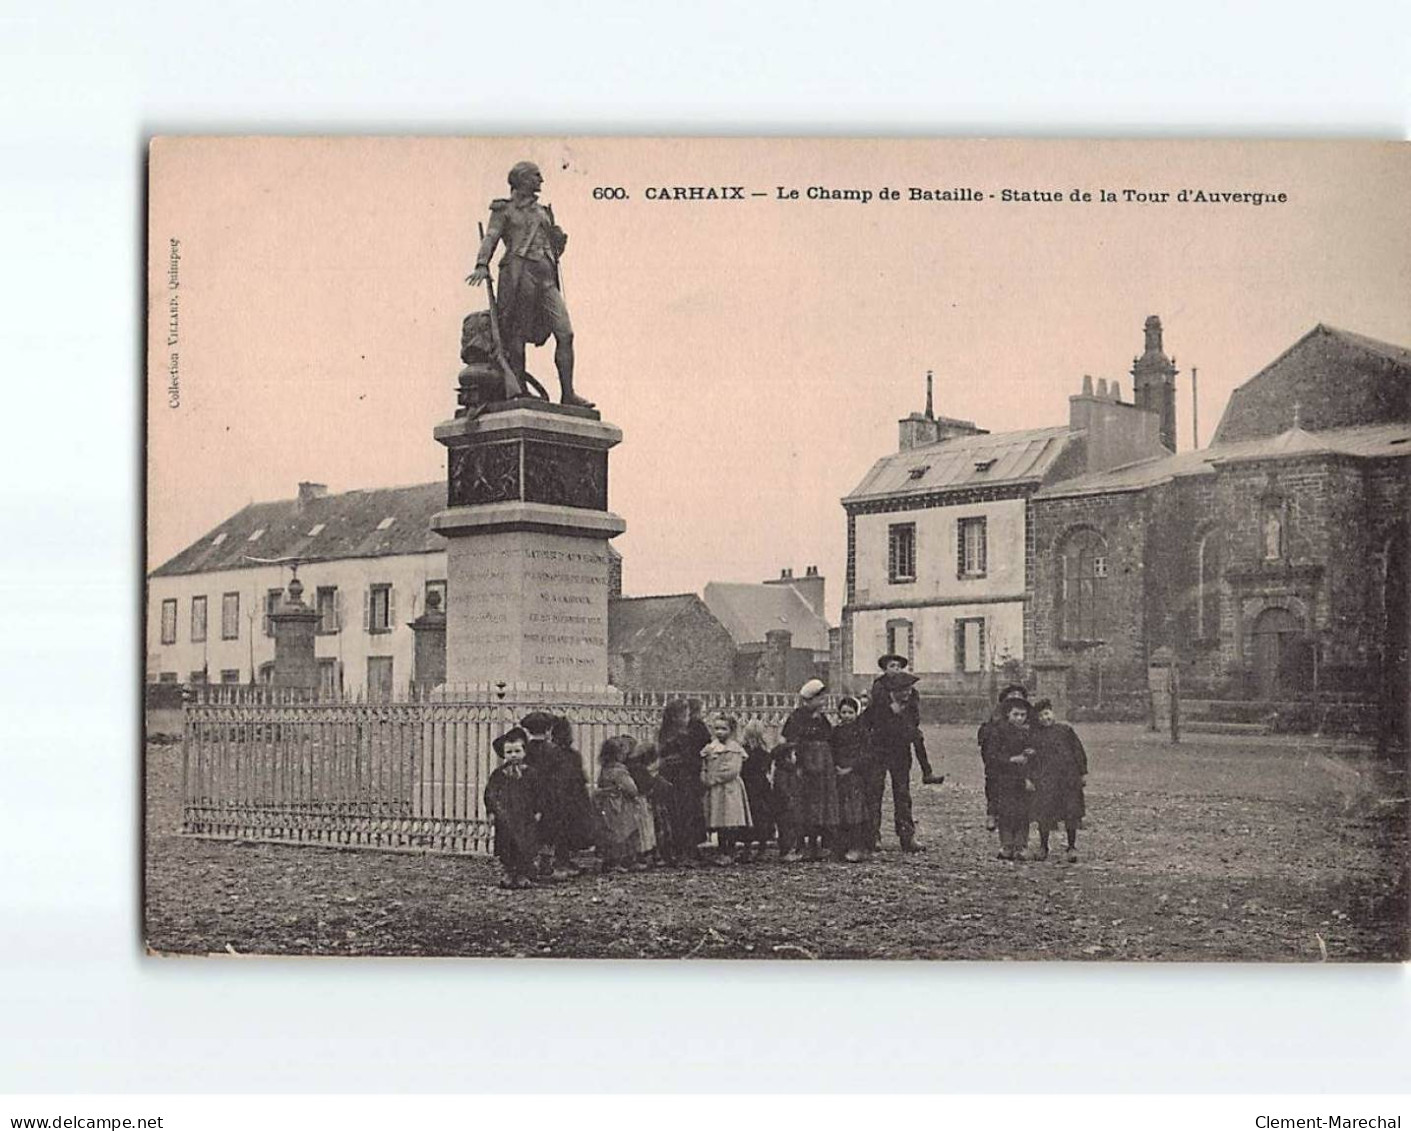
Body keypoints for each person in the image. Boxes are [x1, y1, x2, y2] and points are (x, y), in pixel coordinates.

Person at [466, 161, 592, 408]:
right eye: (536, 176)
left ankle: (568, 393)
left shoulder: (542, 211)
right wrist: (482, 264)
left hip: (546, 278)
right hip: (519, 275)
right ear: (521, 180)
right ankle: (519, 390)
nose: (541, 181)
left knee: (565, 333)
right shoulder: (504, 210)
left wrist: (558, 240)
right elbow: (491, 236)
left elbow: (554, 247)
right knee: (517, 335)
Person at [864, 671, 925, 852]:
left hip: (901, 754)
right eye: (903, 690)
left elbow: (913, 726)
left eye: (909, 689)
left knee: (903, 794)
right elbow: (864, 726)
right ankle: (872, 836)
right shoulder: (878, 707)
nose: (907, 693)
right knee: (874, 793)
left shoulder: (910, 706)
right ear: (892, 690)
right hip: (879, 753)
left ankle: (907, 836)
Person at [520, 710, 585, 880]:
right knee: (551, 830)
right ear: (548, 729)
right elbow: (562, 777)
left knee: (532, 830)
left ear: (528, 730)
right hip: (551, 797)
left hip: (530, 796)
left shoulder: (524, 750)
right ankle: (549, 863)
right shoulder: (555, 751)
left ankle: (532, 863)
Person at [1026, 698, 1088, 863]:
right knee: (1044, 814)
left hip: (1068, 779)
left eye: (1046, 714)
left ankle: (1072, 846)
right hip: (1046, 781)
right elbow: (1031, 761)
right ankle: (1043, 846)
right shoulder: (1035, 736)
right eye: (1040, 716)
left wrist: (1082, 773)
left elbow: (1078, 752)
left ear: (1052, 713)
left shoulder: (1065, 730)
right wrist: (1031, 778)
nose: (1045, 718)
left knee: (1071, 813)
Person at [782, 679, 837, 861]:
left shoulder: (822, 719)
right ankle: (800, 844)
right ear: (808, 700)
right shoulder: (797, 718)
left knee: (819, 804)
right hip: (805, 765)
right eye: (819, 699)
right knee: (803, 804)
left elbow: (829, 738)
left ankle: (816, 843)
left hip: (822, 766)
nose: (822, 703)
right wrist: (796, 764)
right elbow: (791, 742)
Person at [869, 654, 943, 784]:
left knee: (916, 738)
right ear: (885, 670)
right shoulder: (880, 685)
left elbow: (914, 710)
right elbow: (879, 702)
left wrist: (911, 725)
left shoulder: (910, 688)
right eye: (892, 666)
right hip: (882, 739)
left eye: (898, 666)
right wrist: (891, 704)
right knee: (876, 783)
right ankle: (927, 772)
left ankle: (927, 771)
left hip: (901, 739)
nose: (896, 669)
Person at [483, 727, 541, 889]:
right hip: (506, 817)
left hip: (525, 817)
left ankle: (523, 874)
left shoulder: (531, 773)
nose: (513, 755)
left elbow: (539, 793)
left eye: (517, 751)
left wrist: (538, 810)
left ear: (524, 752)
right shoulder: (499, 774)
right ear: (504, 754)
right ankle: (508, 872)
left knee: (525, 845)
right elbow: (490, 793)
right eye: (509, 752)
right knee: (506, 845)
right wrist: (492, 811)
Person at [984, 696, 1035, 861]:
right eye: (1016, 714)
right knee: (1006, 813)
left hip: (1024, 779)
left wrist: (1031, 759)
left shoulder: (1029, 733)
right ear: (1008, 714)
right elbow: (992, 756)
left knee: (1023, 813)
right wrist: (1011, 759)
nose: (1019, 718)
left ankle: (1021, 846)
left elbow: (1036, 758)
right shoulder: (998, 732)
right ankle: (1007, 845)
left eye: (1023, 715)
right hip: (1004, 778)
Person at [656, 698, 707, 865]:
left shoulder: (670, 735)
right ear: (675, 718)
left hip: (683, 780)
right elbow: (683, 758)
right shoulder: (678, 737)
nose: (688, 719)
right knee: (681, 817)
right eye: (684, 716)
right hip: (680, 781)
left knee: (684, 816)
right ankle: (683, 853)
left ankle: (686, 850)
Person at [700, 713, 753, 865]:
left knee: (730, 820)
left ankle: (730, 850)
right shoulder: (710, 748)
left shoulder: (735, 749)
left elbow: (732, 770)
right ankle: (721, 850)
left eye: (723, 729)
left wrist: (713, 779)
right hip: (716, 790)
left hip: (729, 789)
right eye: (716, 728)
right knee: (719, 821)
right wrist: (704, 776)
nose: (719, 732)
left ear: (731, 730)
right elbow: (704, 765)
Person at [830, 696, 875, 862]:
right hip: (839, 775)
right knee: (840, 811)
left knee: (855, 812)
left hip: (856, 775)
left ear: (856, 713)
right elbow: (831, 751)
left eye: (850, 712)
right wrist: (836, 767)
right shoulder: (835, 732)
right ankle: (841, 846)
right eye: (843, 712)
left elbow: (866, 754)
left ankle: (857, 847)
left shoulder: (862, 732)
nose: (847, 716)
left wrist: (850, 768)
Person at [978, 684, 1029, 831]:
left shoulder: (1023, 715)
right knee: (994, 782)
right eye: (1012, 697)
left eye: (1019, 697)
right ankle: (992, 813)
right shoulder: (997, 716)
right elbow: (987, 733)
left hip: (1018, 757)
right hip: (997, 756)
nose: (1015, 700)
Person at [594, 735, 642, 872]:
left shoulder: (605, 770)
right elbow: (632, 789)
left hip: (606, 804)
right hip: (620, 806)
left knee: (610, 832)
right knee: (624, 832)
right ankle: (621, 862)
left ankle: (609, 860)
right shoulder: (620, 771)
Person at [738, 718, 776, 860]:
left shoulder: (744, 751)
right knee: (761, 817)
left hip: (748, 785)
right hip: (760, 786)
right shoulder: (764, 751)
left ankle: (748, 848)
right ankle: (762, 848)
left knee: (749, 816)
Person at [624, 739, 662, 868]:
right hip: (641, 802)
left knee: (642, 829)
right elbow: (647, 786)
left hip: (638, 802)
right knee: (644, 829)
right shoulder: (640, 769)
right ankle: (643, 856)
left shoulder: (630, 767)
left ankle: (643, 856)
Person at [771, 741, 803, 861]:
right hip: (786, 805)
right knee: (786, 829)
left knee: (790, 828)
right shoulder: (783, 772)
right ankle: (786, 851)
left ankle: (789, 850)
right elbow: (783, 789)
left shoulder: (789, 771)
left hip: (790, 804)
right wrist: (790, 798)